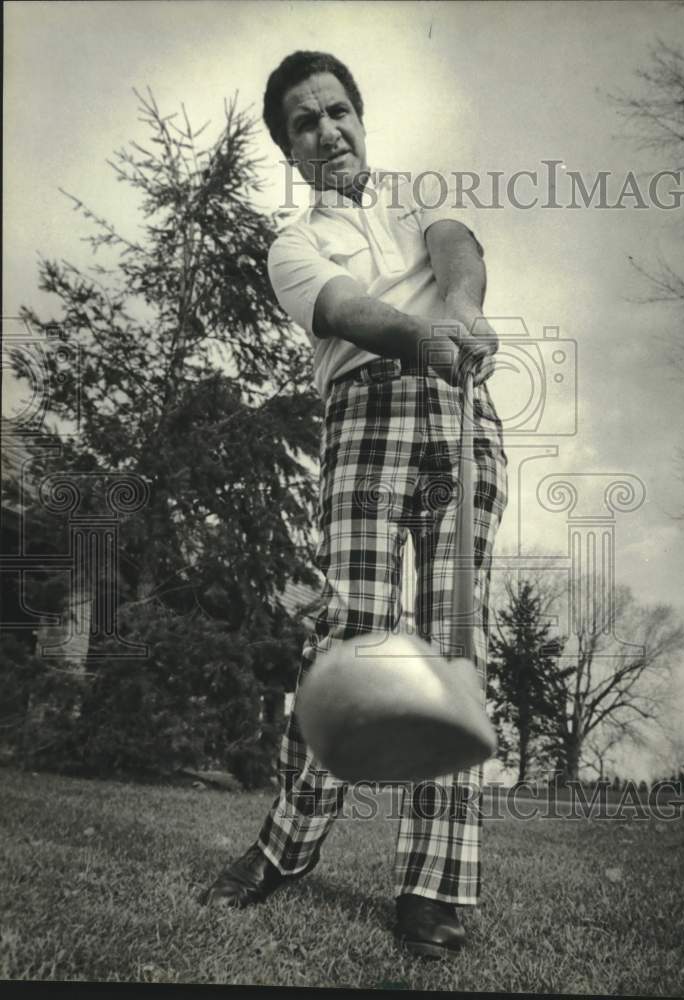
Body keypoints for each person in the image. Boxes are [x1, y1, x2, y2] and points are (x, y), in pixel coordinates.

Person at [200, 50, 508, 960]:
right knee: (351, 633)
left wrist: (458, 306)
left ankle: (430, 889)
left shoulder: (414, 199)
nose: (328, 129)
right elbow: (346, 312)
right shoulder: (291, 247)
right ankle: (285, 847)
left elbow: (458, 247)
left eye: (338, 111)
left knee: (457, 643)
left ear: (359, 118)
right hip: (367, 413)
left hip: (462, 418)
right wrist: (425, 333)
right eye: (305, 122)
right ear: (289, 150)